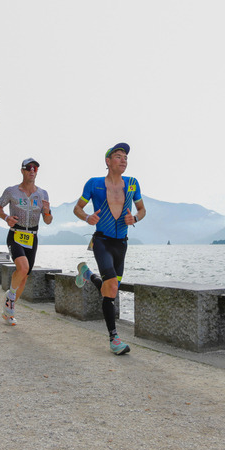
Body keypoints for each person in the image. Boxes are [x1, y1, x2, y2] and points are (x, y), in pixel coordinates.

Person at [73, 142, 146, 355]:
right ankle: (114, 339)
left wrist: (135, 218)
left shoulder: (132, 184)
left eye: (125, 157)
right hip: (102, 241)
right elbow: (77, 208)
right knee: (112, 286)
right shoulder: (94, 184)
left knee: (109, 290)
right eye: (118, 156)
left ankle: (87, 274)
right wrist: (87, 217)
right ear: (108, 161)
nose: (123, 160)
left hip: (121, 244)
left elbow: (142, 209)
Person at [0, 157, 52, 325]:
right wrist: (7, 218)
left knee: (24, 277)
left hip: (32, 237)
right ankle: (10, 296)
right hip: (16, 234)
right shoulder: (12, 191)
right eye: (29, 168)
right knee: (23, 267)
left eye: (35, 168)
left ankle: (8, 310)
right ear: (22, 171)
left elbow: (48, 221)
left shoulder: (42, 194)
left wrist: (47, 211)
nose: (32, 170)